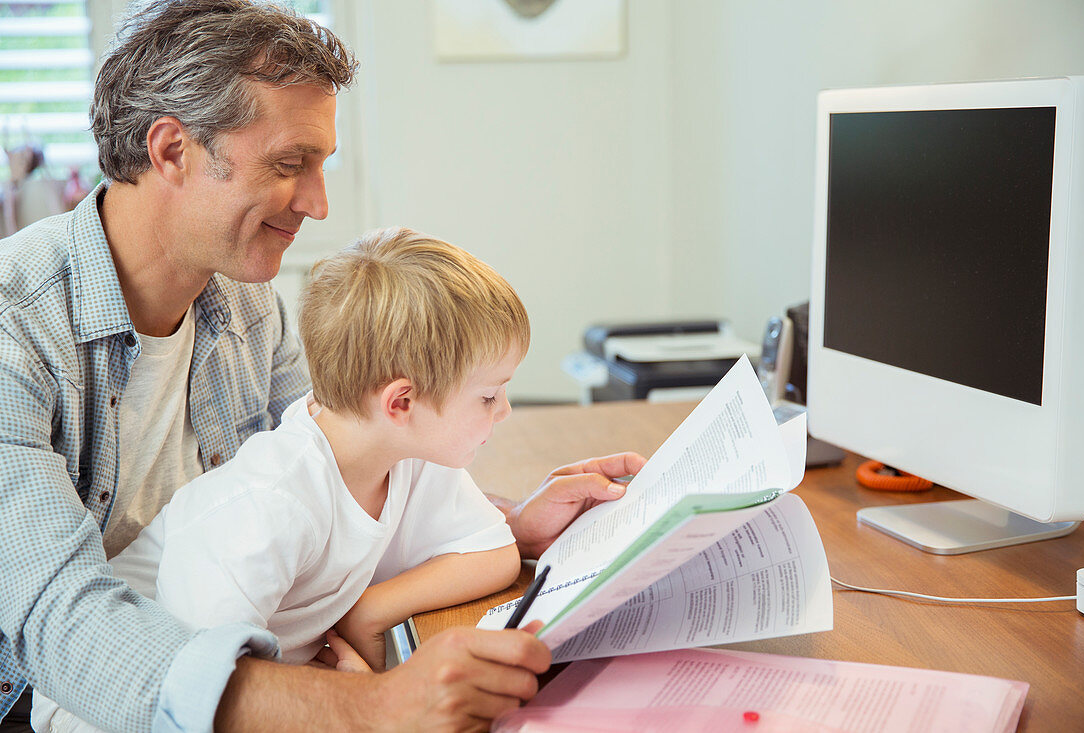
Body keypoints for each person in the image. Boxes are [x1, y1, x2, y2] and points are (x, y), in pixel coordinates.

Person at [0, 2, 645, 731]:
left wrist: (509, 523)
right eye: (289, 164)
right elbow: (61, 624)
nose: (319, 202)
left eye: (322, 164)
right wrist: (368, 706)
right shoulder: (13, 330)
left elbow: (343, 470)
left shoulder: (249, 307)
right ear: (172, 149)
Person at [33, 226, 541, 732]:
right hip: (116, 705)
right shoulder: (271, 504)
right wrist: (352, 701)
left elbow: (492, 551)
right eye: (489, 396)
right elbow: (200, 692)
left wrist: (369, 611)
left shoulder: (407, 452)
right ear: (401, 402)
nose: (504, 411)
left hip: (255, 682)